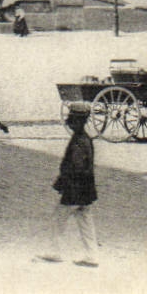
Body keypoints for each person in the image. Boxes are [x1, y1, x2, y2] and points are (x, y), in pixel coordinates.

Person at [42, 101, 99, 267]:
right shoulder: (84, 139)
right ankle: (92, 256)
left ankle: (54, 252)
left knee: (58, 219)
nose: (69, 122)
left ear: (78, 121)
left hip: (75, 188)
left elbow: (76, 167)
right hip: (86, 188)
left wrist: (63, 182)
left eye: (72, 119)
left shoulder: (79, 141)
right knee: (86, 222)